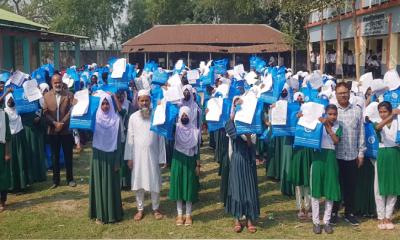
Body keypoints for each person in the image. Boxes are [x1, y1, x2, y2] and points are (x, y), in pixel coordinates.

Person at [124, 89, 166, 221]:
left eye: (146, 100)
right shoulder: (133, 117)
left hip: (153, 155)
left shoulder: (156, 116)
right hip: (137, 156)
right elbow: (130, 138)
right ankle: (140, 209)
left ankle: (156, 208)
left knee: (154, 181)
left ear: (150, 101)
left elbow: (161, 138)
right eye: (141, 100)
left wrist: (162, 157)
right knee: (138, 182)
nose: (144, 103)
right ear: (137, 101)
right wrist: (129, 157)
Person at [331, 82, 365, 226]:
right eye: (340, 93)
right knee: (335, 185)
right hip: (335, 155)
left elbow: (361, 133)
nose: (343, 95)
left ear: (350, 93)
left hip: (352, 155)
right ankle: (333, 212)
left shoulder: (357, 110)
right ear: (336, 94)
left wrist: (361, 152)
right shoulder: (332, 111)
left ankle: (349, 213)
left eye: (345, 92)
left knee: (350, 185)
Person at [225, 98, 260, 234]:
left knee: (249, 189)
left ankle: (250, 219)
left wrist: (248, 137)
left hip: (248, 161)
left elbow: (252, 145)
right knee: (237, 188)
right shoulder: (232, 124)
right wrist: (233, 115)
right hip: (237, 159)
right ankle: (237, 219)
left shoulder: (252, 126)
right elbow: (231, 132)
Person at [89, 94, 123, 224]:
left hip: (112, 156)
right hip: (98, 155)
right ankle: (100, 214)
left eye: (107, 103)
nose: (105, 106)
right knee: (99, 184)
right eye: (102, 103)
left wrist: (117, 161)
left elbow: (119, 142)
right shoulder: (94, 119)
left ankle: (113, 213)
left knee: (111, 184)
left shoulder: (116, 120)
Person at [311, 104, 342, 234]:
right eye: (330, 114)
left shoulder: (338, 126)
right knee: (316, 191)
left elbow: (336, 140)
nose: (333, 116)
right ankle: (316, 222)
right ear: (325, 113)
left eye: (335, 114)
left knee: (330, 190)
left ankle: (327, 221)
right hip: (317, 157)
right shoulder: (316, 123)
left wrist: (327, 126)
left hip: (330, 157)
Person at [43, 73, 76, 189]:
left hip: (66, 130)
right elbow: (45, 112)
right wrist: (54, 123)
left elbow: (73, 110)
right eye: (55, 82)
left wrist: (62, 123)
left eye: (59, 82)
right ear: (51, 83)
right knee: (54, 156)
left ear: (62, 82)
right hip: (52, 131)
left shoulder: (69, 95)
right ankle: (55, 181)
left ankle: (70, 179)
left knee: (68, 155)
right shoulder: (46, 96)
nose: (57, 84)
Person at [169, 106, 200, 226]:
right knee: (179, 186)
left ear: (190, 116)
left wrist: (198, 165)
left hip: (190, 160)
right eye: (182, 115)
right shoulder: (175, 128)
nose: (184, 117)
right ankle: (179, 215)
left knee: (189, 187)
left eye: (186, 115)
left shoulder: (195, 130)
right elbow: (166, 124)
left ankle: (188, 215)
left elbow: (197, 149)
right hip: (177, 159)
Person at [373, 101, 400, 230]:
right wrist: (392, 115)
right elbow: (377, 128)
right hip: (383, 154)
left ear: (390, 110)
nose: (382, 114)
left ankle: (388, 216)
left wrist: (396, 117)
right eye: (381, 112)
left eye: (385, 112)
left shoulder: (398, 122)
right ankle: (381, 216)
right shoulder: (377, 123)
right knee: (379, 186)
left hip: (395, 154)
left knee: (393, 186)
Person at [4, 94, 30, 192]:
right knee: (11, 163)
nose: (10, 101)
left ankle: (23, 184)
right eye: (9, 99)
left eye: (12, 99)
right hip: (9, 140)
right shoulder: (4, 112)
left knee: (21, 160)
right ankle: (12, 186)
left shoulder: (19, 110)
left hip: (20, 137)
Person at [0, 107, 11, 211]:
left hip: (1, 147)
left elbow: (7, 135)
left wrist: (7, 152)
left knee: (2, 175)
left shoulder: (4, 115)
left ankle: (2, 201)